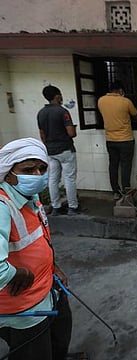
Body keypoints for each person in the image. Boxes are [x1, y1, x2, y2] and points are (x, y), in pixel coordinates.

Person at [0, 138, 73, 360]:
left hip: (48, 290)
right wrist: (17, 273)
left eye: (42, 168)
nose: (37, 175)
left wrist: (52, 267)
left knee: (60, 339)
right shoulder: (3, 207)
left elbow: (39, 239)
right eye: (28, 170)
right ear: (9, 173)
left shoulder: (30, 198)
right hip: (24, 308)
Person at [37, 85, 80, 216]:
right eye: (60, 95)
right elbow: (71, 133)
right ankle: (73, 207)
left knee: (53, 179)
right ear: (57, 96)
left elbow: (42, 134)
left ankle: (56, 207)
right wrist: (74, 129)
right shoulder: (62, 111)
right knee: (69, 178)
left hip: (50, 150)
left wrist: (49, 146)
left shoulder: (41, 113)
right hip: (65, 149)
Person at [97, 80, 137, 200]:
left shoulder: (101, 101)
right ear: (121, 90)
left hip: (110, 140)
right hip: (126, 139)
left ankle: (115, 191)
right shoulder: (125, 102)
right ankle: (126, 190)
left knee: (113, 165)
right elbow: (136, 116)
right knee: (126, 166)